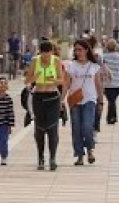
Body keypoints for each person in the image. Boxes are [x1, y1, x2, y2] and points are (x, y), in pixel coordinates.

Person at [25, 39, 64, 171]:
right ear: (40, 52)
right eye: (43, 53)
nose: (46, 56)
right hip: (39, 97)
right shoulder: (35, 61)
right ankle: (40, 156)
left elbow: (61, 80)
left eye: (48, 53)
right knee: (40, 128)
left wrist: (54, 81)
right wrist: (34, 78)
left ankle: (53, 158)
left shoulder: (56, 61)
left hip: (52, 97)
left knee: (52, 128)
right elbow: (27, 80)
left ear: (52, 52)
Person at [66, 39, 104, 166]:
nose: (78, 52)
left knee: (87, 127)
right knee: (76, 128)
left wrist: (100, 101)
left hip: (90, 100)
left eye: (80, 50)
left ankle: (90, 150)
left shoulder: (94, 66)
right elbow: (67, 83)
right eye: (76, 50)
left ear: (87, 50)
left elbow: (98, 84)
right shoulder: (71, 65)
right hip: (74, 100)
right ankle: (79, 155)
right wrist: (62, 99)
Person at [100, 39, 119, 125]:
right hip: (117, 83)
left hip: (107, 84)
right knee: (112, 100)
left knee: (111, 100)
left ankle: (111, 117)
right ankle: (112, 117)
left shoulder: (104, 57)